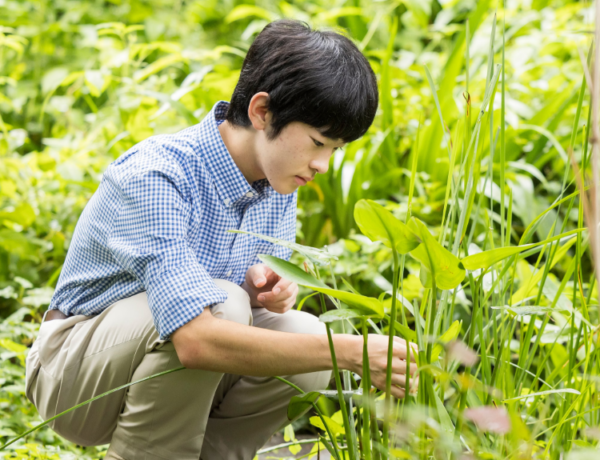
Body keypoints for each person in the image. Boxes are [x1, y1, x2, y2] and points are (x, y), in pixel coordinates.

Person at [24, 19, 417, 459]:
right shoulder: (158, 174)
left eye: (335, 149)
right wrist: (348, 352)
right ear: (262, 111)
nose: (323, 164)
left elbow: (239, 309)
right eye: (317, 142)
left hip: (168, 370)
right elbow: (195, 338)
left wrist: (265, 294)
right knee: (227, 308)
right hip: (73, 377)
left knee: (299, 330)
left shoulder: (278, 181)